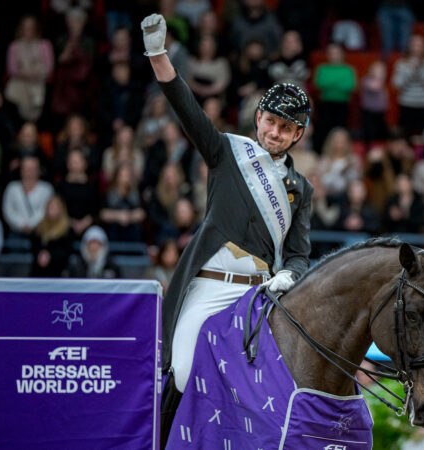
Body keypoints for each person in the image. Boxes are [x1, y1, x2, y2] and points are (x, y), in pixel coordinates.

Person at [141, 14, 313, 444]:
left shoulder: (301, 189)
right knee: (180, 368)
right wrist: (158, 54)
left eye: (286, 128)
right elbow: (186, 107)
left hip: (258, 294)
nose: (275, 133)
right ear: (259, 118)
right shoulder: (225, 152)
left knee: (264, 390)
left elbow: (297, 251)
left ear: (298, 135)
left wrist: (290, 273)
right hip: (210, 286)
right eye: (271, 122)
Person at [393, 34, 424, 138]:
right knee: (405, 136)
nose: (416, 48)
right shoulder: (401, 64)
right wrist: (410, 70)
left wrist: (420, 70)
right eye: (414, 45)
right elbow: (397, 84)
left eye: (419, 45)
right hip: (407, 104)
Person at [2, 156, 54, 237]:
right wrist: (21, 224)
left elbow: (46, 209)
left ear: (39, 170)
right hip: (15, 232)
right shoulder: (12, 188)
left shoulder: (46, 188)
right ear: (21, 170)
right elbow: (8, 210)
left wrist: (31, 225)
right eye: (26, 168)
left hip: (39, 232)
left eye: (33, 168)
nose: (29, 171)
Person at [30, 195, 73, 277]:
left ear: (61, 209)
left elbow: (67, 250)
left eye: (55, 207)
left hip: (58, 271)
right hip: (38, 270)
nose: (52, 209)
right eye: (50, 207)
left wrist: (50, 256)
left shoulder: (67, 229)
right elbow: (34, 246)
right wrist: (40, 254)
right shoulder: (39, 227)